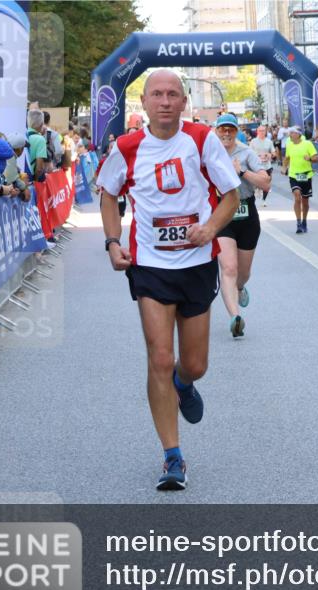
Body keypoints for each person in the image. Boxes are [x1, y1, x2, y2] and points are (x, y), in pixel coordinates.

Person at [96, 69, 241, 491]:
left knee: (194, 364)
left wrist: (211, 227)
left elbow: (230, 196)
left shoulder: (201, 139)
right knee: (159, 357)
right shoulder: (126, 146)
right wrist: (112, 241)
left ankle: (184, 383)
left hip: (196, 263)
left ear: (183, 102)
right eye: (156, 94)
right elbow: (108, 194)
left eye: (172, 94)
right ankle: (173, 457)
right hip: (150, 266)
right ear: (144, 102)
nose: (164, 101)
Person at [213, 114, 270, 338]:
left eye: (231, 129)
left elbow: (266, 182)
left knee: (243, 273)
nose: (226, 133)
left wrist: (242, 172)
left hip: (246, 213)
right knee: (228, 268)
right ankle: (235, 317)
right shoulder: (209, 153)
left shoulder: (246, 153)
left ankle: (239, 287)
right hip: (222, 213)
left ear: (237, 131)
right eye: (222, 129)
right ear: (216, 131)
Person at [282, 126, 318, 233]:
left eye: (292, 133)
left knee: (305, 201)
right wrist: (284, 167)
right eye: (290, 133)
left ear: (298, 134)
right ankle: (298, 223)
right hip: (294, 175)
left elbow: (317, 158)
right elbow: (287, 158)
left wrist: (310, 158)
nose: (290, 135)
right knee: (297, 196)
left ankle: (304, 221)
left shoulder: (308, 144)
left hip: (306, 175)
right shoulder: (289, 145)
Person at [249, 125, 276, 206]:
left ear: (266, 132)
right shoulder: (253, 141)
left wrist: (269, 155)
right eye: (260, 131)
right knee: (257, 182)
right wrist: (257, 156)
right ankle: (257, 188)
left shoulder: (269, 141)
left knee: (267, 182)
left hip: (267, 165)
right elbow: (249, 153)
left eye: (263, 130)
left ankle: (264, 200)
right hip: (256, 165)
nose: (262, 132)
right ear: (257, 132)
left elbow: (274, 153)